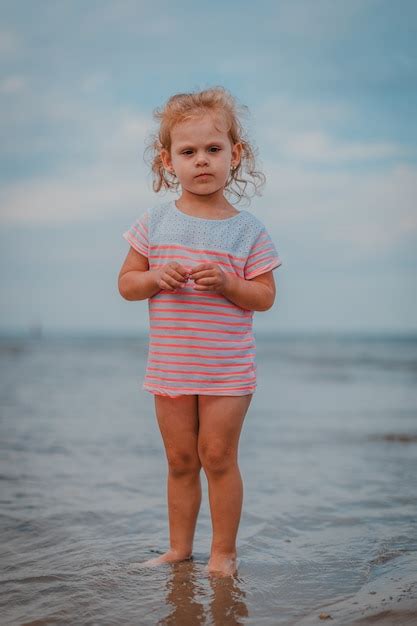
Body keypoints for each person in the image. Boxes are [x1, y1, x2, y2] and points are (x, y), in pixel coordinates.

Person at [118, 86, 282, 577]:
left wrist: (231, 284)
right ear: (168, 161)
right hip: (170, 364)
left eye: (213, 149)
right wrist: (152, 278)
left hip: (226, 368)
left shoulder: (248, 230)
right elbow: (127, 284)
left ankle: (223, 552)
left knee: (218, 456)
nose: (202, 161)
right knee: (180, 458)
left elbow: (266, 296)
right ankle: (178, 549)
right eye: (188, 152)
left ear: (237, 154)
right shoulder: (154, 222)